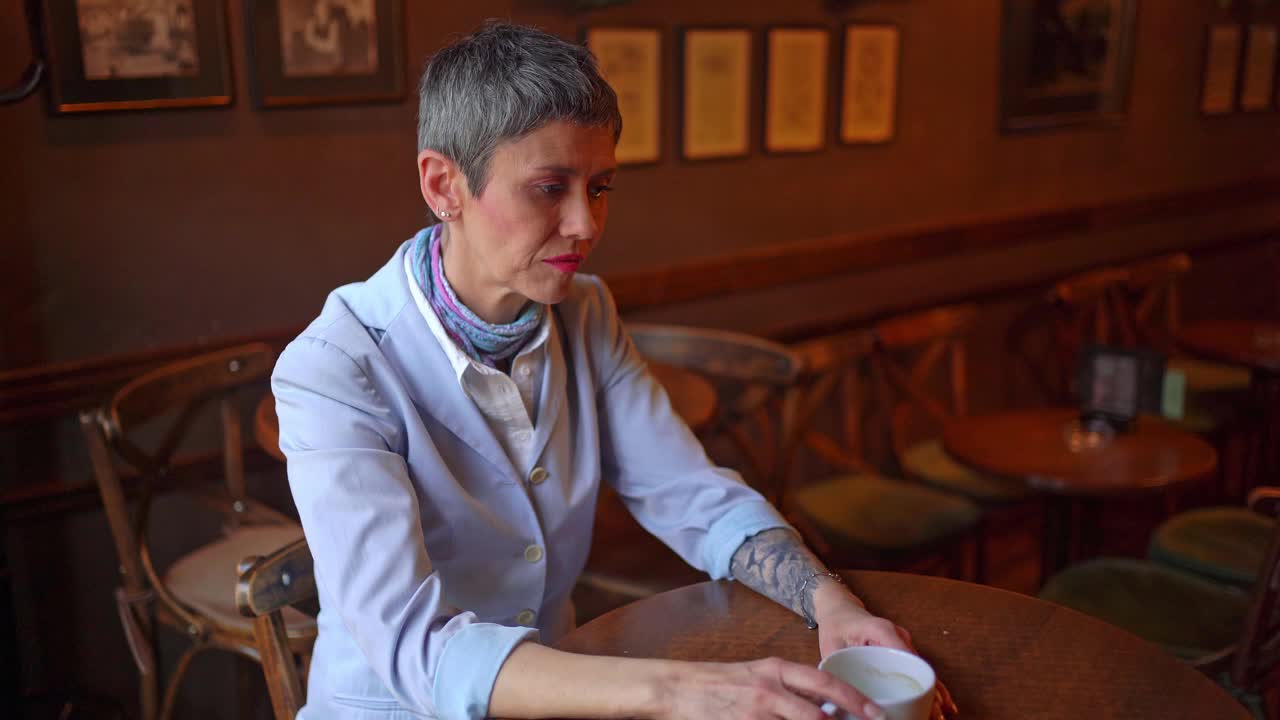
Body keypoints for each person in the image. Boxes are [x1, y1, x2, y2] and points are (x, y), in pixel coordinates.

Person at [272, 21, 956, 720]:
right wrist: (681, 690)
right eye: (549, 188)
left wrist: (830, 601)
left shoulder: (586, 311)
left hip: (552, 692)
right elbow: (416, 647)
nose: (586, 225)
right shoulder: (334, 367)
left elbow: (689, 493)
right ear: (444, 184)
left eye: (600, 187)